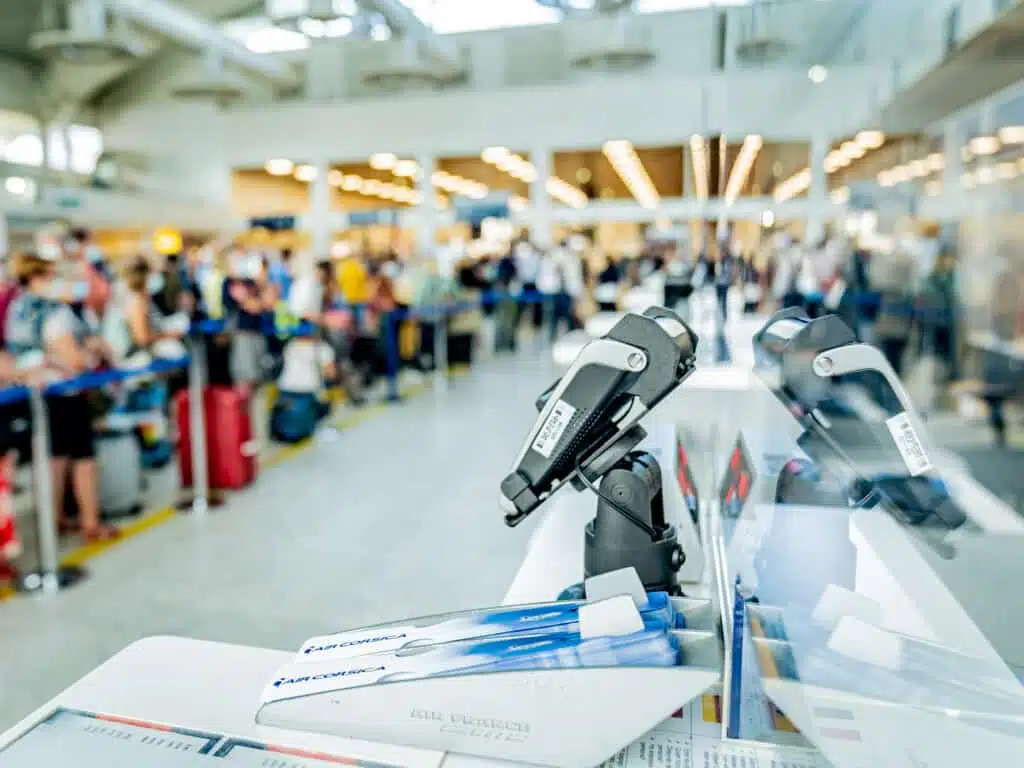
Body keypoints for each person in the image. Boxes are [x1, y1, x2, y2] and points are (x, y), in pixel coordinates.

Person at [5, 251, 117, 543]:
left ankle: (53, 520)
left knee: (54, 458)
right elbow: (73, 360)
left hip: (35, 392)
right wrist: (92, 352)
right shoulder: (54, 311)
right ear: (41, 277)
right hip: (65, 392)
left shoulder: (16, 308)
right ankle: (90, 524)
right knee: (83, 458)